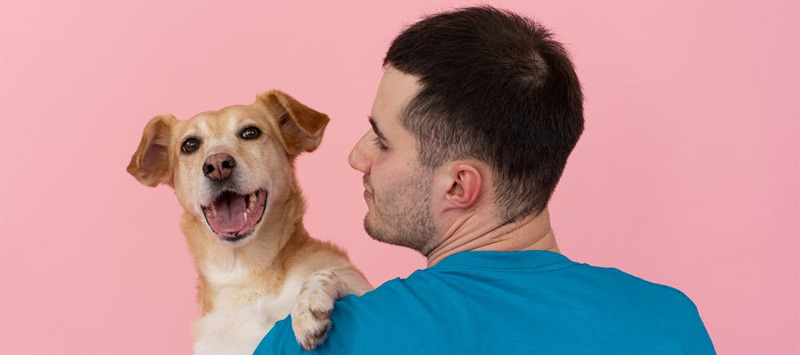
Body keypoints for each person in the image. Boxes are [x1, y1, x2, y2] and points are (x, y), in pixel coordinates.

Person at [254, 6, 715, 354]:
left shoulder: (322, 341)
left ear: (458, 186)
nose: (357, 157)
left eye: (382, 140)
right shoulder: (670, 323)